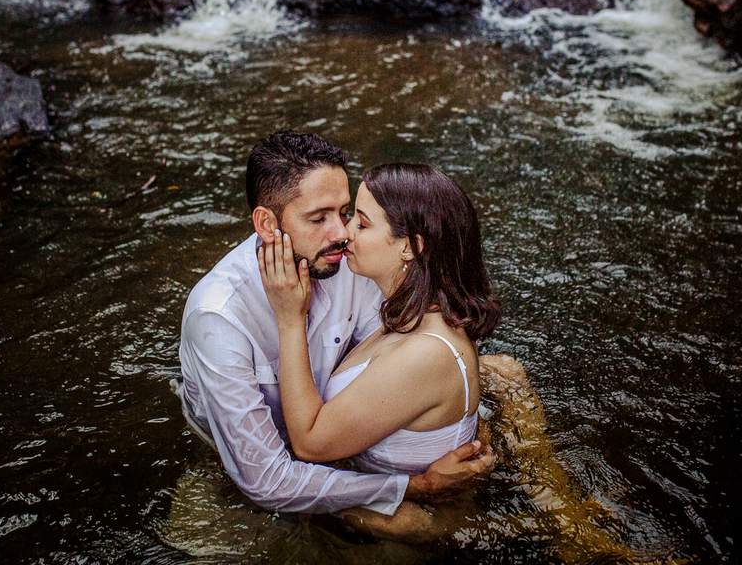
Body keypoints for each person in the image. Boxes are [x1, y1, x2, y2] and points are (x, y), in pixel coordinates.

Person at [259, 163, 641, 562]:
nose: (344, 232)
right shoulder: (416, 315)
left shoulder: (424, 353)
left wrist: (290, 318)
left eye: (362, 222)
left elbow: (309, 443)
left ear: (410, 246)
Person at [174, 132, 494, 520]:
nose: (341, 233)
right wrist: (414, 486)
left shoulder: (350, 262)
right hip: (243, 469)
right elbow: (267, 481)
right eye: (319, 218)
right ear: (267, 224)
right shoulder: (218, 317)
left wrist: (470, 424)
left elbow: (412, 369)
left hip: (333, 446)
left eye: (346, 213)